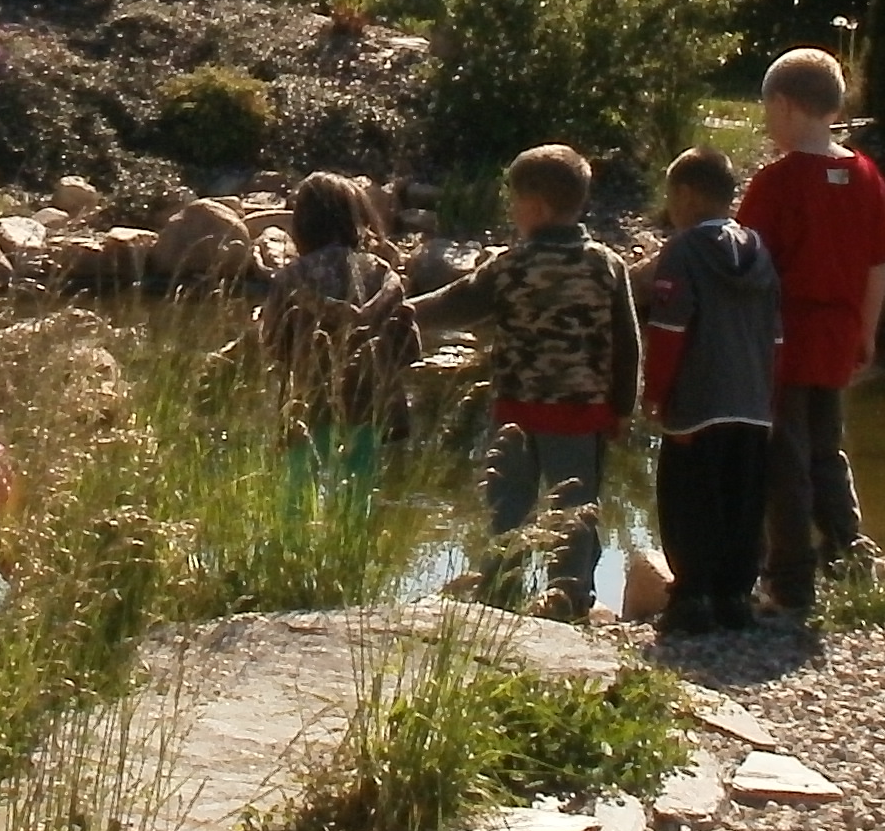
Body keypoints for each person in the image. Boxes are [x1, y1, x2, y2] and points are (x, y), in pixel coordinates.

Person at [410, 143, 640, 621]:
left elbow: (459, 303)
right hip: (582, 415)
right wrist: (621, 409)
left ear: (534, 206)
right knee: (576, 510)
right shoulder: (605, 264)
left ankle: (500, 592)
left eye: (515, 202)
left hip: (516, 412)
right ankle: (570, 597)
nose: (513, 212)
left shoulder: (511, 266)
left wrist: (404, 312)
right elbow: (627, 342)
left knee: (506, 509)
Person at [736, 48, 885, 622]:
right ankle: (847, 552)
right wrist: (867, 332)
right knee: (826, 447)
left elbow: (746, 264)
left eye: (767, 110)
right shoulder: (865, 175)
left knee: (784, 455)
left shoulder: (776, 183)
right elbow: (878, 265)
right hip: (839, 327)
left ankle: (790, 579)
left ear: (784, 105)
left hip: (784, 335)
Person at [636, 142, 783, 635]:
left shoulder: (683, 252)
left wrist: (655, 391)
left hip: (697, 402)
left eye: (671, 198)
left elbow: (670, 329)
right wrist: (768, 393)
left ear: (688, 194)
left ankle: (693, 596)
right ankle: (735, 595)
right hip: (752, 403)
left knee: (688, 499)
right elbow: (776, 335)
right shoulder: (761, 250)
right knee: (743, 500)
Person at [258, 170, 416, 417]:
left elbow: (271, 345)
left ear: (302, 224)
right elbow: (409, 348)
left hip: (310, 409)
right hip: (378, 411)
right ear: (356, 220)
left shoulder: (291, 278)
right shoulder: (382, 273)